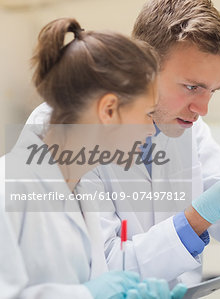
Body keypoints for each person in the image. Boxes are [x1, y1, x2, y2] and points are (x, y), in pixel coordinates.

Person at [26, 0, 220, 286]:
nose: (203, 109)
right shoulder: (61, 131)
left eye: (213, 91)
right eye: (192, 87)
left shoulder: (187, 129)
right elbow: (99, 271)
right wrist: (200, 215)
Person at [1, 18, 186, 299]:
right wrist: (86, 296)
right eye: (148, 114)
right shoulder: (9, 189)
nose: (152, 129)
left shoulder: (81, 192)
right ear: (109, 110)